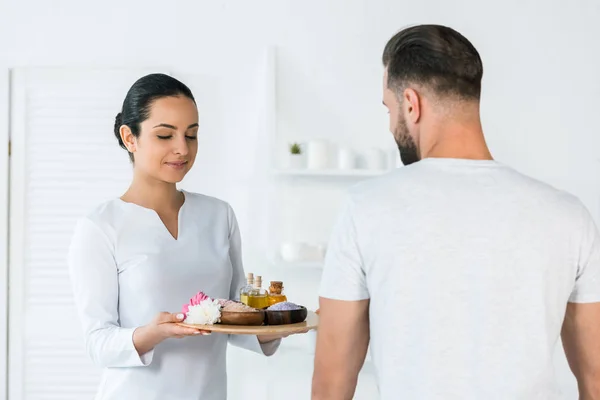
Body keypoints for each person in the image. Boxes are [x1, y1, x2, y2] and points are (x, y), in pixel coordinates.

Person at [312, 24, 600, 399]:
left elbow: (332, 384)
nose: (389, 122)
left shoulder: (364, 208)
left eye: (389, 107)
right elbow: (595, 380)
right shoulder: (568, 215)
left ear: (411, 104)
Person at [68, 73, 287, 400]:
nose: (182, 149)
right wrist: (151, 334)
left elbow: (238, 319)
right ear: (130, 138)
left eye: (192, 135)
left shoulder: (218, 215)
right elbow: (97, 343)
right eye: (165, 135)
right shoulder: (101, 226)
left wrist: (283, 322)